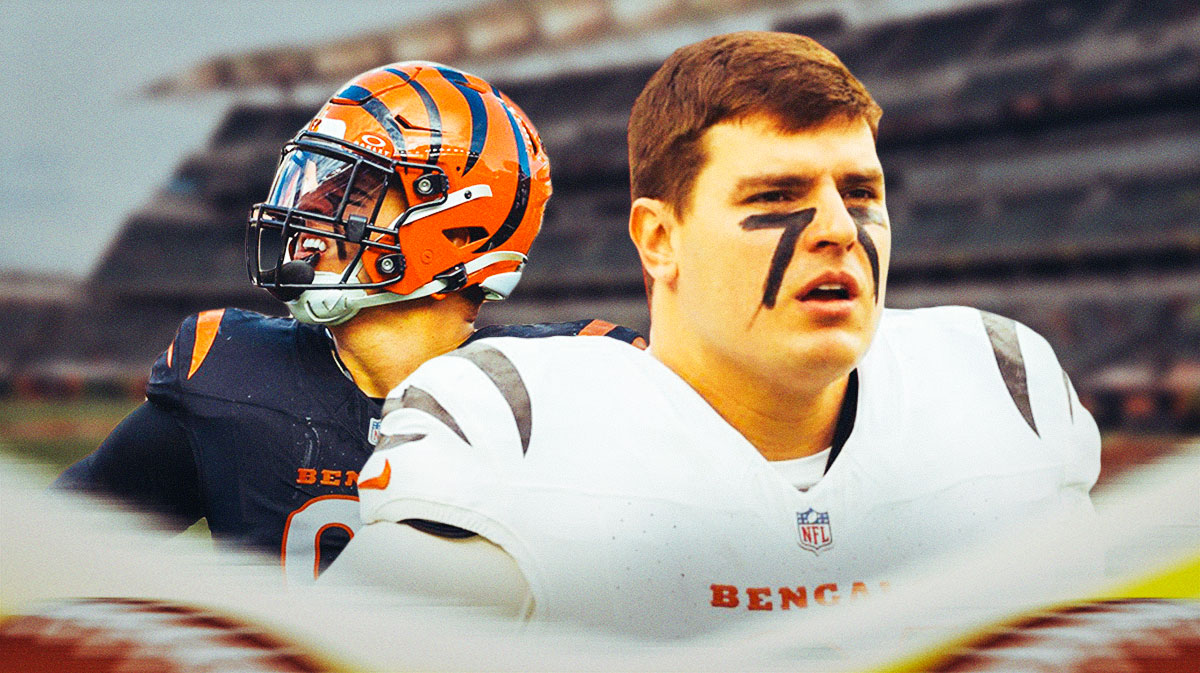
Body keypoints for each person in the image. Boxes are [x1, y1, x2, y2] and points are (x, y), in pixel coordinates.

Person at [326, 33, 1100, 635]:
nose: (838, 228)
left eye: (861, 191)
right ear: (659, 238)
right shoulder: (520, 431)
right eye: (777, 194)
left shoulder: (1001, 389)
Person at [54, 62, 644, 584]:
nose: (310, 211)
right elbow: (57, 550)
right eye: (318, 182)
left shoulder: (574, 384)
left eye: (356, 192)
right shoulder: (231, 377)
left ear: (461, 231)